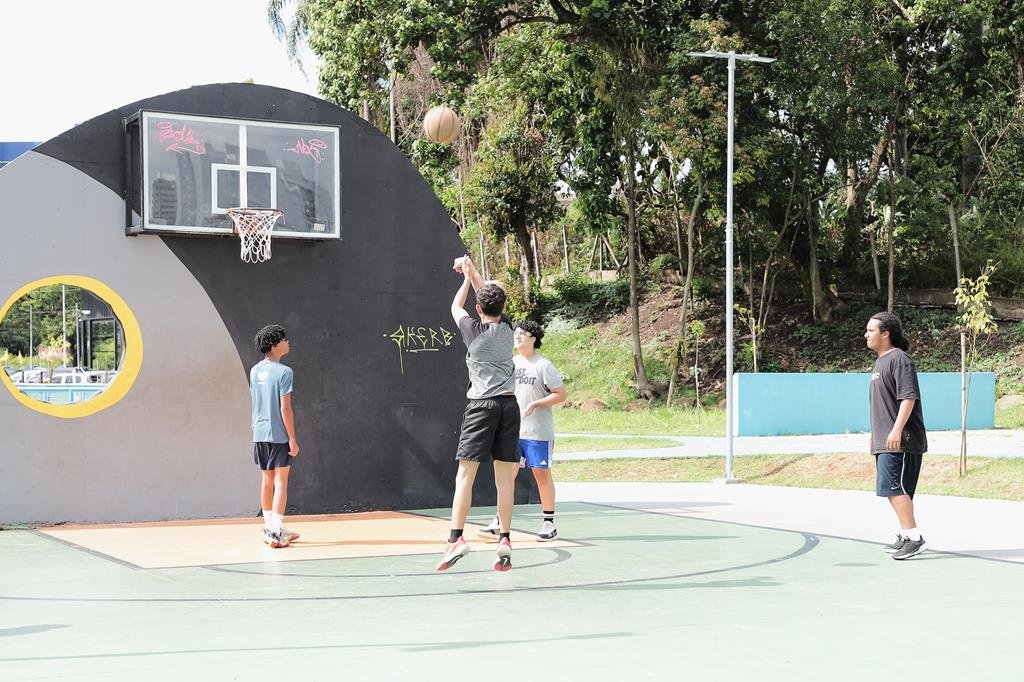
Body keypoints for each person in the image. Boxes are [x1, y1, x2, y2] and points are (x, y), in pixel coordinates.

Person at [436, 255, 520, 572]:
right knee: (504, 482)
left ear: (478, 311)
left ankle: (455, 539)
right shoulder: (509, 328)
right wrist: (473, 273)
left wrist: (464, 279)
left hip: (482, 407)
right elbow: (489, 296)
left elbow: (456, 308)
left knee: (465, 477)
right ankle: (505, 539)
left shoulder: (473, 330)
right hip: (509, 407)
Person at [479, 320, 566, 541]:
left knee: (541, 475)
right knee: (507, 477)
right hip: (512, 432)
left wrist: (537, 404)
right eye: (515, 333)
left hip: (538, 432)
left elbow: (560, 394)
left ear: (533, 338)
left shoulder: (543, 365)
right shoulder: (510, 363)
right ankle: (500, 522)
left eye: (522, 334)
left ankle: (549, 524)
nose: (517, 337)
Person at [864, 311, 928, 560]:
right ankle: (906, 534)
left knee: (894, 488)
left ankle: (914, 537)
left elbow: (908, 397)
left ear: (885, 333)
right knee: (895, 489)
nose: (866, 334)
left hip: (901, 441)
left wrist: (896, 430)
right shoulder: (881, 361)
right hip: (884, 440)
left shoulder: (900, 360)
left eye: (871, 330)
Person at [251, 324, 300, 549]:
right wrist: (292, 438)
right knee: (281, 482)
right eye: (283, 339)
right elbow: (285, 409)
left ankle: (271, 527)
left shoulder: (254, 370)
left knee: (266, 480)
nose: (287, 341)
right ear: (274, 344)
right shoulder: (285, 372)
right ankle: (276, 532)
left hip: (259, 434)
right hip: (279, 436)